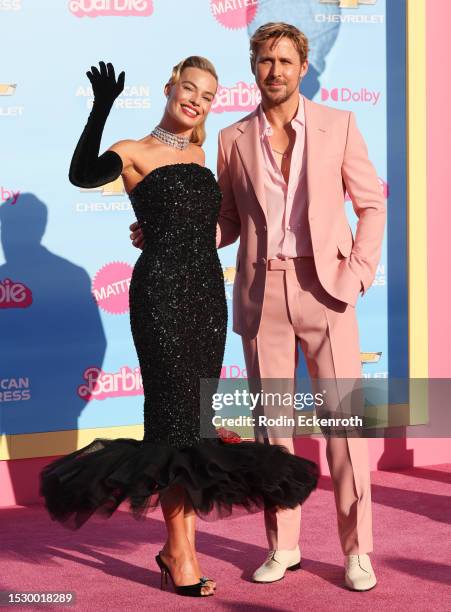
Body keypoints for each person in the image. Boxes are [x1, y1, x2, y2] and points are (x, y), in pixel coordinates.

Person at [39, 57, 319, 598]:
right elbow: (82, 174)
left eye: (208, 95)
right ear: (169, 89)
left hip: (207, 298)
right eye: (188, 88)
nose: (196, 99)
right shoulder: (133, 151)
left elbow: (213, 226)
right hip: (161, 298)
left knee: (195, 425)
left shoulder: (202, 153)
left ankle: (175, 549)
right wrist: (100, 108)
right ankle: (181, 555)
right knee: (171, 425)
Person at [130, 23, 386, 592]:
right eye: (266, 60)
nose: (275, 70)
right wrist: (169, 230)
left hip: (328, 292)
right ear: (254, 68)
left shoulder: (339, 125)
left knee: (343, 429)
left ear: (303, 67)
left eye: (286, 61)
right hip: (260, 294)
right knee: (273, 429)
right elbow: (223, 221)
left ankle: (357, 550)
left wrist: (359, 274)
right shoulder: (231, 138)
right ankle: (284, 546)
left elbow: (371, 205)